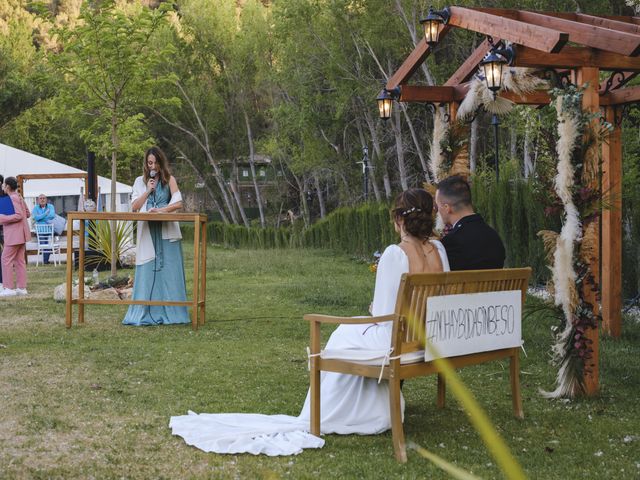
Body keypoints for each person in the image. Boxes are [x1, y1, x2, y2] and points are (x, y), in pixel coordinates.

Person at [169, 188, 450, 455]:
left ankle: (333, 413)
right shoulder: (439, 250)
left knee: (342, 334)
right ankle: (369, 409)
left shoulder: (395, 253)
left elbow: (383, 311)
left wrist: (372, 308)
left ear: (400, 219)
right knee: (350, 331)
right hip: (428, 340)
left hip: (396, 342)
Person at [123, 146, 190, 326]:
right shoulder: (139, 181)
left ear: (161, 163)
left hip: (167, 231)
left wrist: (160, 210)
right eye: (149, 163)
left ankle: (173, 312)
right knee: (147, 270)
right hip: (148, 231)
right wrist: (148, 191)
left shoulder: (170, 179)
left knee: (170, 271)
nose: (152, 166)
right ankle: (146, 311)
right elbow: (135, 206)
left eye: (155, 163)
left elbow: (178, 203)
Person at [435, 175, 505, 271]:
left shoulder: (451, 242)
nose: (437, 211)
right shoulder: (494, 237)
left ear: (447, 208)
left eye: (437, 206)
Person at [0, 177, 31, 297]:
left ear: (7, 186)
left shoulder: (11, 198)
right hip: (21, 235)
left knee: (5, 259)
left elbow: (19, 215)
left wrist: (2, 218)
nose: (3, 187)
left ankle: (8, 288)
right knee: (19, 261)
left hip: (14, 235)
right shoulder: (19, 197)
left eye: (4, 185)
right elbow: (27, 214)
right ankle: (21, 288)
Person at [32, 193, 56, 264]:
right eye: (41, 198)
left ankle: (45, 261)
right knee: (43, 245)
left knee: (49, 245)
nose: (42, 199)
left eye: (44, 198)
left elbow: (52, 216)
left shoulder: (50, 206)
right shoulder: (36, 208)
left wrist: (40, 218)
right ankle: (46, 261)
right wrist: (46, 213)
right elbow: (35, 218)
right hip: (40, 231)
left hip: (50, 230)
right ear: (38, 200)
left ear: (46, 200)